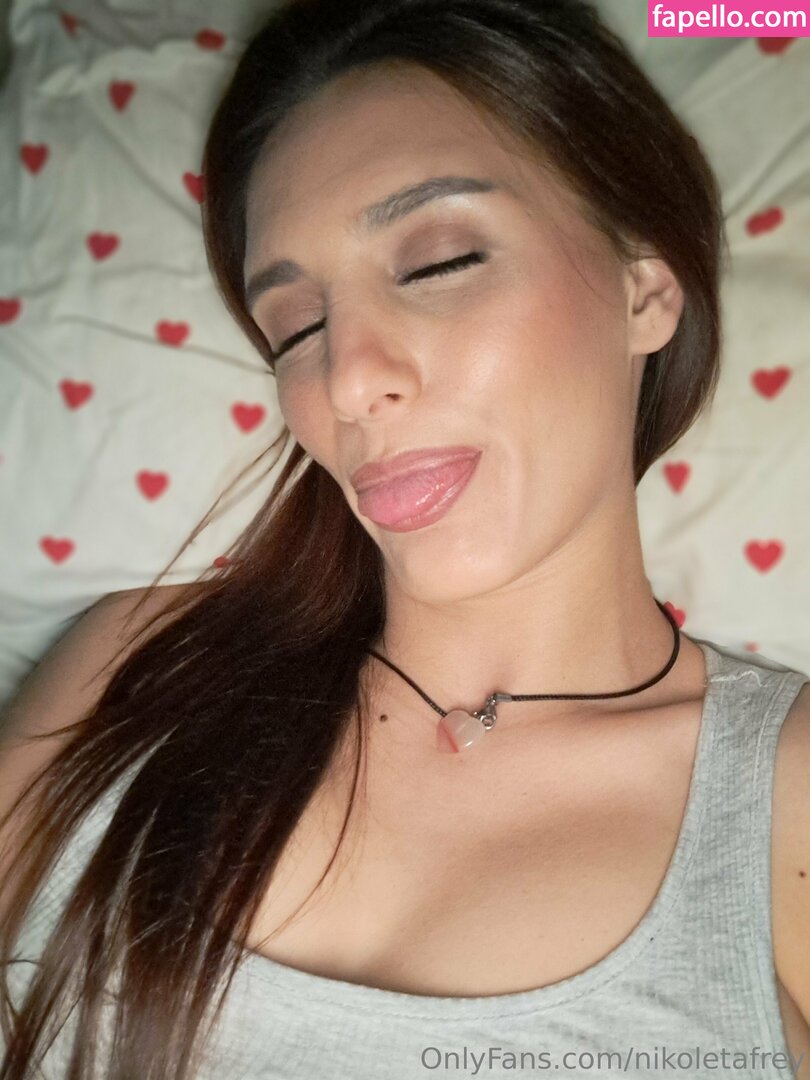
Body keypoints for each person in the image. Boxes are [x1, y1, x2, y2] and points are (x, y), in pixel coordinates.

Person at [1, 0, 809, 1077]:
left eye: (438, 263)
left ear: (645, 292)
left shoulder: (782, 796)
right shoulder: (133, 667)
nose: (347, 378)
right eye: (295, 326)